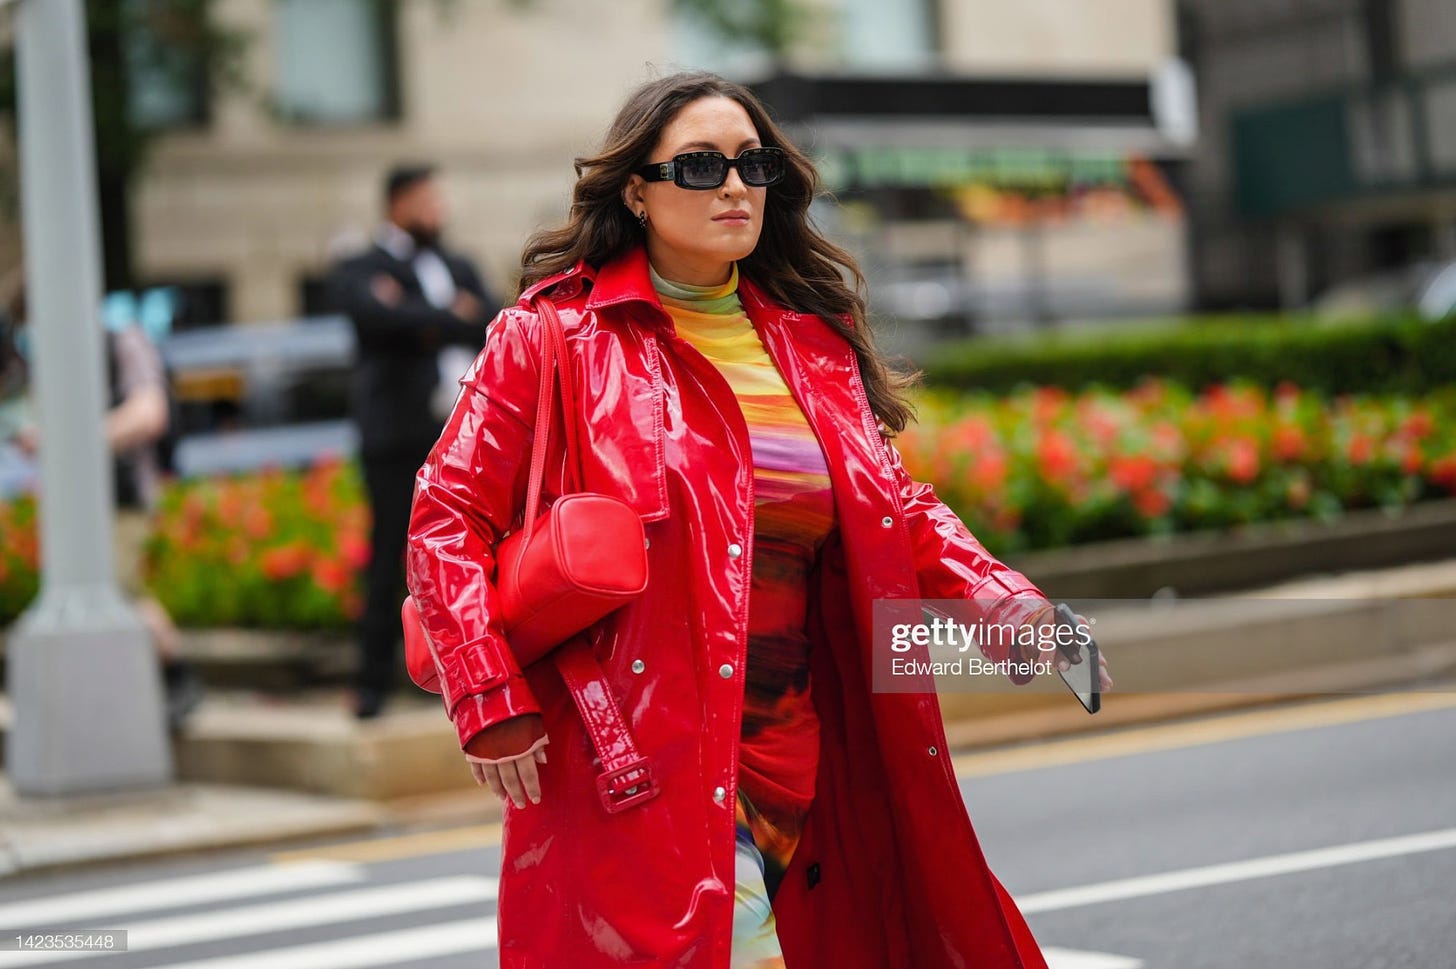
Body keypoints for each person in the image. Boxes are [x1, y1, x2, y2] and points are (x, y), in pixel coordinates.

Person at [405, 72, 1114, 969]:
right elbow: (445, 516)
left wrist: (1011, 606)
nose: (734, 186)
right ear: (636, 188)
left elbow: (894, 505)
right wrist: (486, 695)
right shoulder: (553, 336)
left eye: (753, 164)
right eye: (699, 166)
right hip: (641, 759)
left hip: (809, 746)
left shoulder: (813, 340)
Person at [1, 271, 204, 732]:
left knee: (115, 588)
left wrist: (71, 441)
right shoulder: (47, 361)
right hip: (74, 503)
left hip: (124, 494)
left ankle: (177, 677)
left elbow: (149, 412)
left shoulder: (121, 340)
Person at [332, 164, 499, 719]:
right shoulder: (362, 266)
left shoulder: (457, 264)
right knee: (391, 556)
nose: (438, 210)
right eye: (428, 199)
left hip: (462, 433)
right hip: (397, 434)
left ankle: (464, 677)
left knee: (472, 553)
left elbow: (497, 318)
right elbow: (378, 320)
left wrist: (424, 319)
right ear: (399, 204)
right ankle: (373, 684)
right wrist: (448, 317)